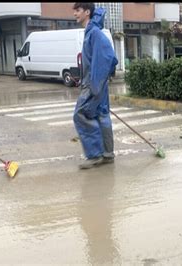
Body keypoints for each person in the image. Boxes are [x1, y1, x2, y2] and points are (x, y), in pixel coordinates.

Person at [72, 3, 118, 169]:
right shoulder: (91, 32)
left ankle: (95, 154)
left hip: (94, 84)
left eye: (77, 11)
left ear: (87, 12)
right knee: (101, 115)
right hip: (97, 83)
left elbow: (108, 57)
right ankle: (107, 154)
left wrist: (95, 84)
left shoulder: (95, 33)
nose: (75, 14)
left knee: (80, 115)